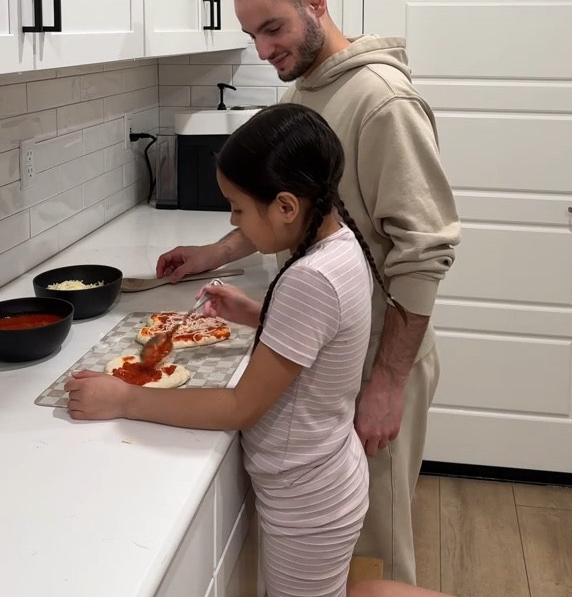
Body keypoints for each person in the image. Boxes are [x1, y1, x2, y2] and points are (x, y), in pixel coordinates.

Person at [157, 0, 461, 584]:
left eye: (273, 27)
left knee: (374, 544)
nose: (263, 49)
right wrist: (210, 255)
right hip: (328, 356)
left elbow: (424, 252)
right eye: (251, 33)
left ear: (314, 2)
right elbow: (285, 214)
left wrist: (385, 384)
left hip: (377, 359)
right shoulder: (307, 88)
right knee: (338, 555)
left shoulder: (383, 103)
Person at [66, 104, 403, 597]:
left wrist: (123, 399)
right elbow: (321, 337)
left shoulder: (310, 278)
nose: (231, 218)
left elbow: (239, 406)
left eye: (239, 208)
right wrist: (255, 314)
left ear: (287, 207)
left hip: (306, 502)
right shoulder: (340, 245)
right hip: (324, 480)